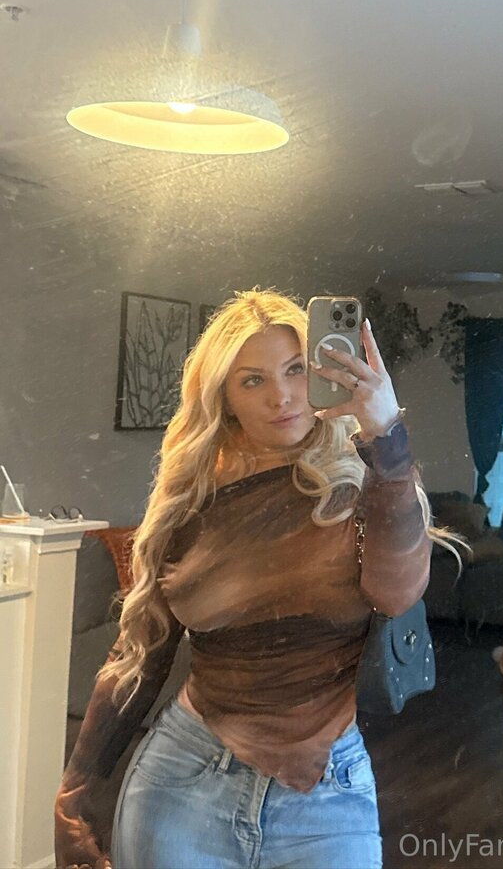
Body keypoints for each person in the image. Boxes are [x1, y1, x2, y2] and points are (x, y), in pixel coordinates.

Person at [55, 287, 459, 869]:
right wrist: (75, 791)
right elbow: (141, 654)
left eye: (296, 369)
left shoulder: (367, 479)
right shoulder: (189, 501)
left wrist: (387, 438)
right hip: (183, 782)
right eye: (252, 380)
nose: (282, 396)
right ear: (224, 397)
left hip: (330, 789)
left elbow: (396, 593)